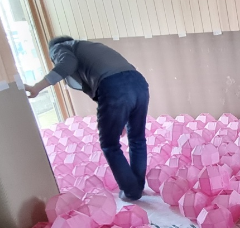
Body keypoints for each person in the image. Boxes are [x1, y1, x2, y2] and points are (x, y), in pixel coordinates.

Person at [26, 36, 150, 201]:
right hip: (139, 83)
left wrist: (37, 87)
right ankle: (137, 186)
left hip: (114, 87)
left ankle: (131, 191)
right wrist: (117, 121)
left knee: (110, 145)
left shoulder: (59, 47)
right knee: (137, 139)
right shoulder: (87, 46)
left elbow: (67, 64)